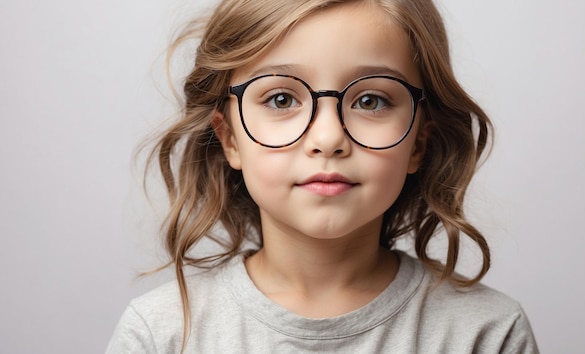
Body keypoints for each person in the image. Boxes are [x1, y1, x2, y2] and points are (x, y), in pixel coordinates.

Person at [107, 0, 539, 353]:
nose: (329, 138)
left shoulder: (487, 334)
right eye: (280, 98)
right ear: (230, 139)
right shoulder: (159, 335)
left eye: (370, 100)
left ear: (419, 143)